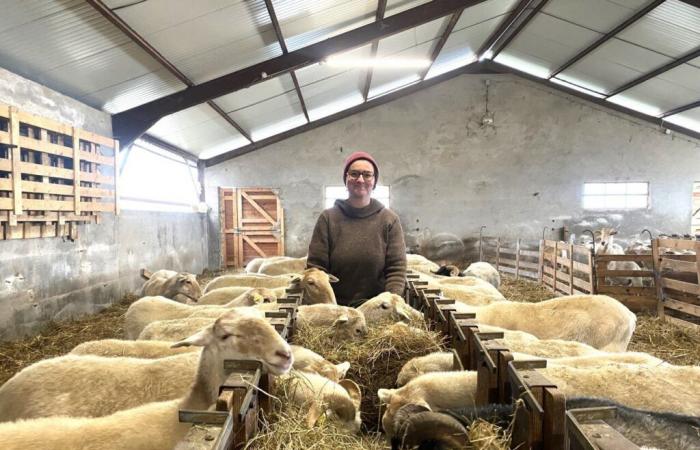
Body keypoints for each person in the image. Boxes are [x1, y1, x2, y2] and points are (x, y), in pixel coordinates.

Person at [307, 151, 407, 306]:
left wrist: (388, 303)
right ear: (346, 179)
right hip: (336, 309)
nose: (360, 180)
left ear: (374, 181)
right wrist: (327, 307)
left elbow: (396, 268)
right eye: (354, 174)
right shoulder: (328, 218)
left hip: (377, 307)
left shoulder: (389, 220)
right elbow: (316, 268)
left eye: (367, 175)